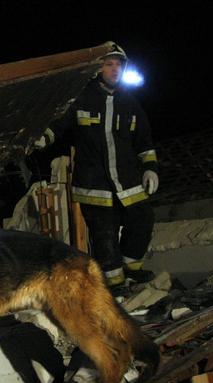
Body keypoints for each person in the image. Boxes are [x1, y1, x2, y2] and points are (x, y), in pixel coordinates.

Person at [42, 42, 158, 287]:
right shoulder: (81, 99)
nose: (115, 70)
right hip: (94, 186)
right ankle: (113, 285)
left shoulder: (131, 104)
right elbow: (58, 126)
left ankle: (131, 267)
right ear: (97, 69)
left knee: (143, 219)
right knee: (104, 237)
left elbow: (144, 141)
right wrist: (40, 139)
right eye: (109, 64)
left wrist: (150, 168)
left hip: (128, 181)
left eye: (118, 65)